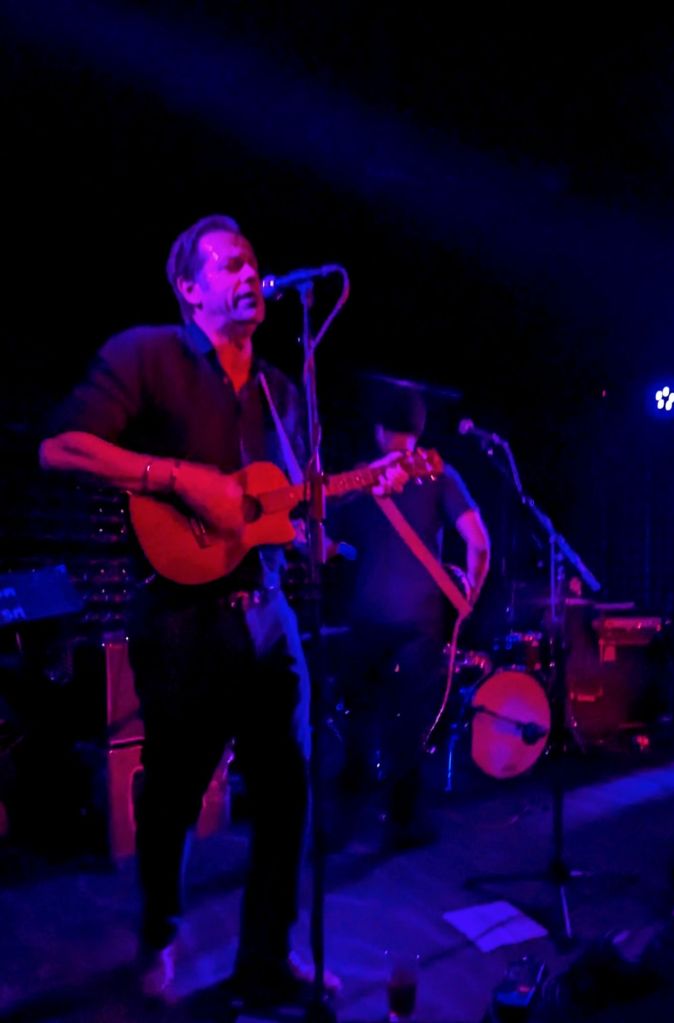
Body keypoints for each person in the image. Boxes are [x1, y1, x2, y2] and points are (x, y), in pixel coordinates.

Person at [38, 214, 405, 1007]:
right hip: (180, 619)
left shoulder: (283, 391)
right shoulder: (147, 355)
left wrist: (320, 525)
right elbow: (59, 446)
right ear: (189, 286)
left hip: (269, 615)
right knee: (173, 796)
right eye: (231, 264)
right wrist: (173, 475)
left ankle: (267, 957)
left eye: (253, 262)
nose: (249, 274)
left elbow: (281, 509)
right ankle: (159, 933)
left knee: (287, 794)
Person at [327, 385, 490, 850]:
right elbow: (479, 543)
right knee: (410, 723)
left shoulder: (354, 482)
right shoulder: (440, 475)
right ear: (418, 430)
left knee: (360, 719)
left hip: (366, 613)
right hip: (422, 618)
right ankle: (404, 824)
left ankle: (341, 824)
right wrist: (468, 599)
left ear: (379, 431)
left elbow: (323, 547)